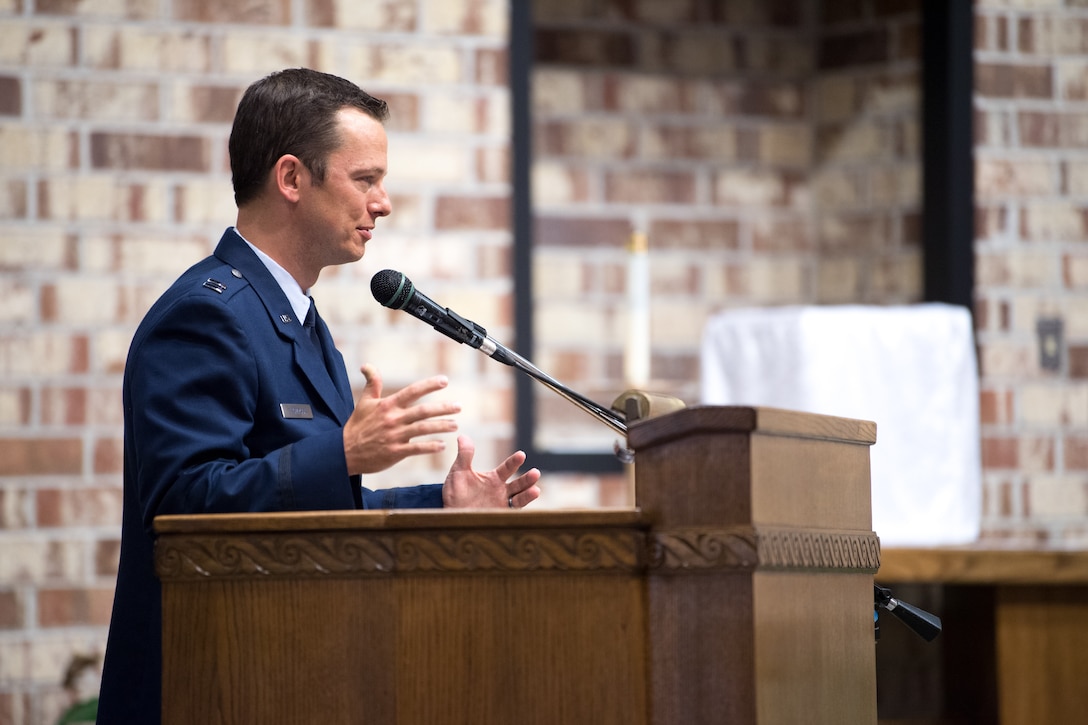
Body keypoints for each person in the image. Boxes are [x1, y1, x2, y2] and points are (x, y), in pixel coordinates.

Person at [96, 67, 542, 724]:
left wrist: (441, 507)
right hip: (205, 686)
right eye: (365, 180)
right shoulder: (205, 316)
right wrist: (345, 451)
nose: (383, 202)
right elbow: (182, 508)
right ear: (291, 179)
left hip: (286, 676)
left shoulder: (300, 323)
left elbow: (311, 512)